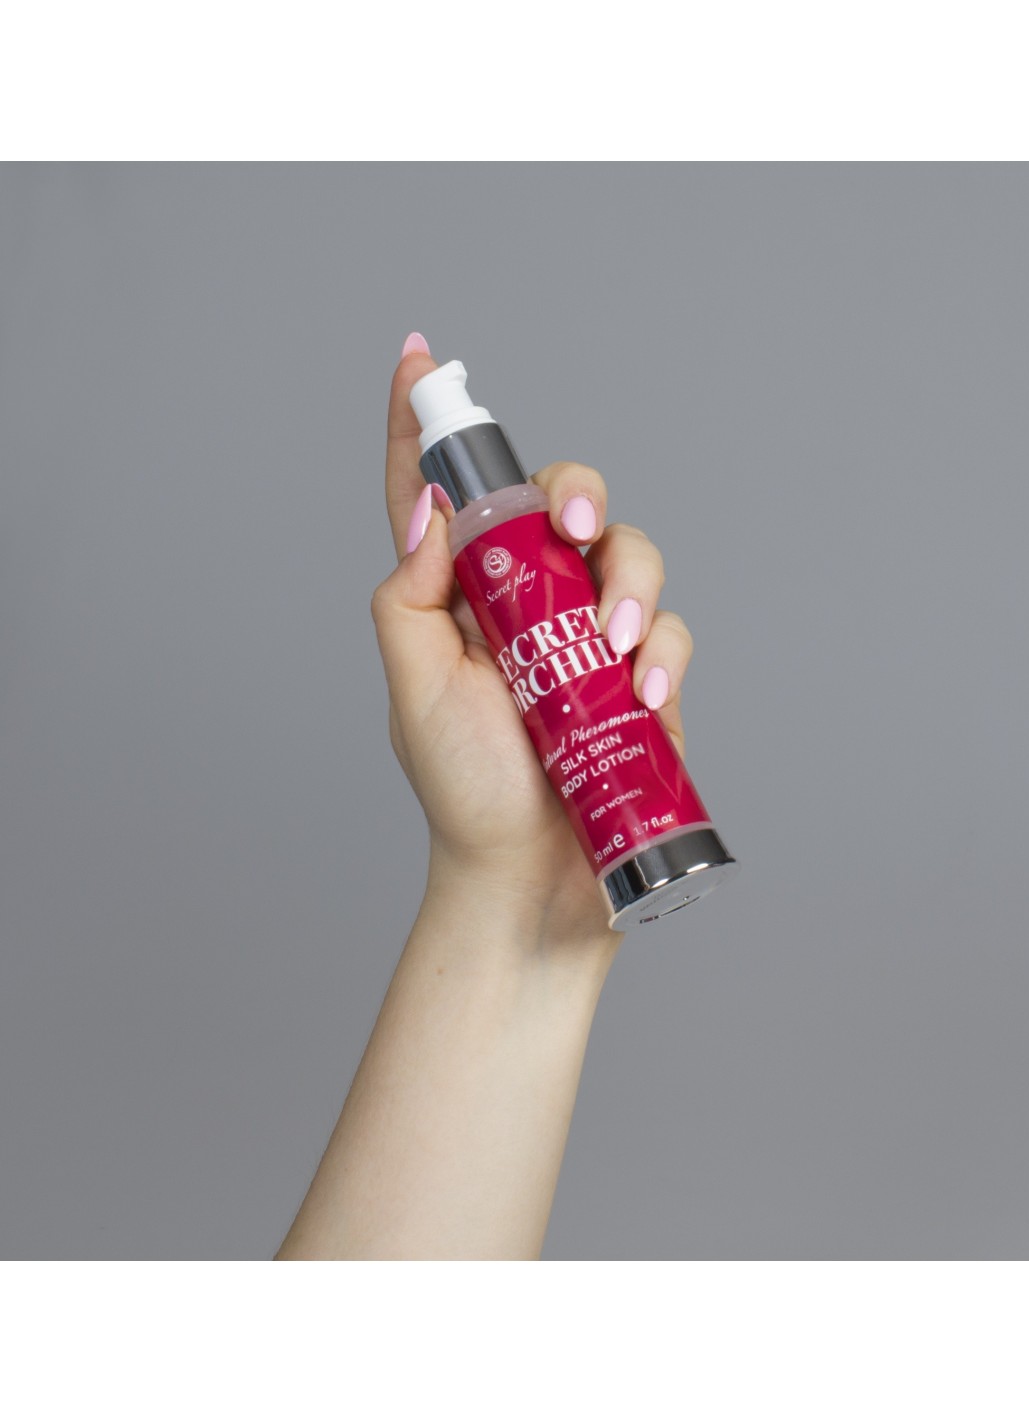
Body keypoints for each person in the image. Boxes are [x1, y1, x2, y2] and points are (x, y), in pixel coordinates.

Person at [276, 333, 697, 1260]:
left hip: (592, 859)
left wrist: (530, 892)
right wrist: (505, 886)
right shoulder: (475, 537)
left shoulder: (513, 517)